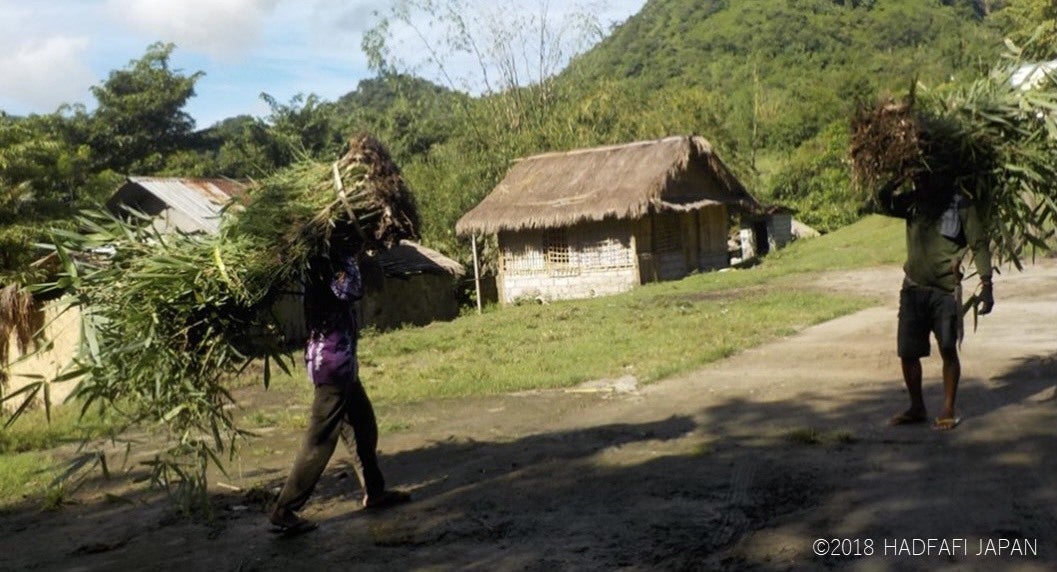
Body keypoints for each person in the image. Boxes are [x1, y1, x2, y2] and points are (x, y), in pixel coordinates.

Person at [269, 224, 409, 533]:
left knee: (363, 424)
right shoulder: (327, 265)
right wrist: (351, 257)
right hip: (333, 365)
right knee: (320, 440)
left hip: (341, 365)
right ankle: (285, 509)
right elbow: (351, 290)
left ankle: (375, 491)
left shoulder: (324, 261)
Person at [877, 181, 994, 431]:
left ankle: (948, 407)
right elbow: (882, 202)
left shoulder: (961, 203)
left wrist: (987, 284)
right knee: (907, 352)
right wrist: (896, 179)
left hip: (945, 292)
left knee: (948, 349)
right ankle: (916, 406)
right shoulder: (914, 201)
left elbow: (979, 243)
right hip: (913, 288)